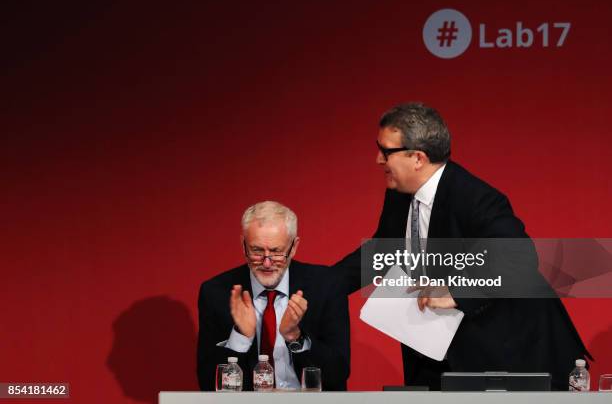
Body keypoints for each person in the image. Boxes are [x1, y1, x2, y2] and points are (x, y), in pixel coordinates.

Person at [334, 102, 591, 390]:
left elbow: (519, 258)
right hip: (438, 350)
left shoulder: (473, 197)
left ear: (417, 158)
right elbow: (380, 252)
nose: (378, 160)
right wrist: (319, 287)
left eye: (386, 151)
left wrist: (456, 290)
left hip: (510, 353)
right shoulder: (400, 195)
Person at [197, 201, 350, 391]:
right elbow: (206, 382)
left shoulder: (326, 285)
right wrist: (240, 337)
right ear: (243, 246)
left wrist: (296, 337)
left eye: (276, 252)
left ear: (293, 247)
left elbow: (338, 374)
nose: (267, 263)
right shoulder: (216, 292)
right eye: (257, 251)